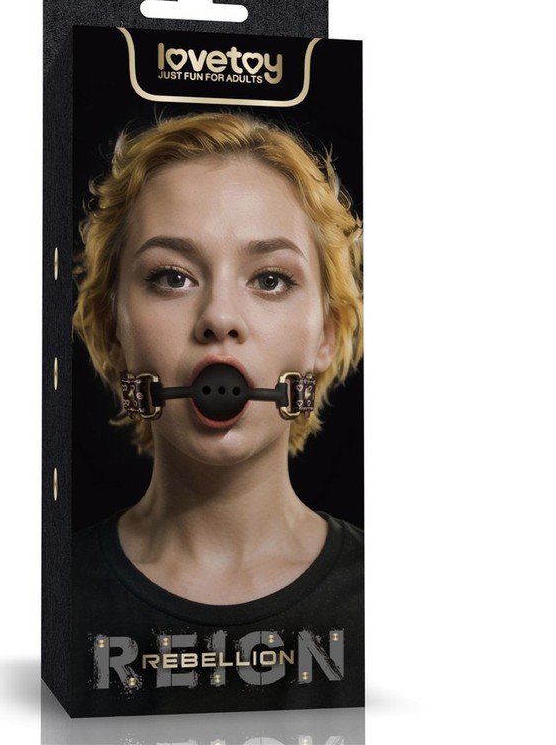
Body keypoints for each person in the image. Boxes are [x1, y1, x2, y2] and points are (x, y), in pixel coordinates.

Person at [69, 111, 363, 717]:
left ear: (328, 333)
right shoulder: (50, 600)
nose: (219, 317)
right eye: (171, 277)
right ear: (113, 330)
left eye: (271, 279)